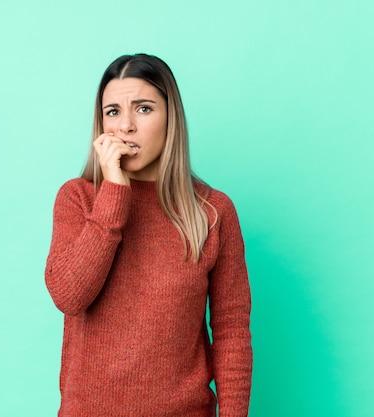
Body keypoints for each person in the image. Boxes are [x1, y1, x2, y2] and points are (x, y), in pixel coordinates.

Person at [45, 53, 252, 417]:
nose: (125, 126)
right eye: (113, 112)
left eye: (143, 109)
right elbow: (68, 295)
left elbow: (231, 330)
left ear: (171, 118)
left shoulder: (212, 211)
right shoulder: (78, 198)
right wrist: (114, 191)